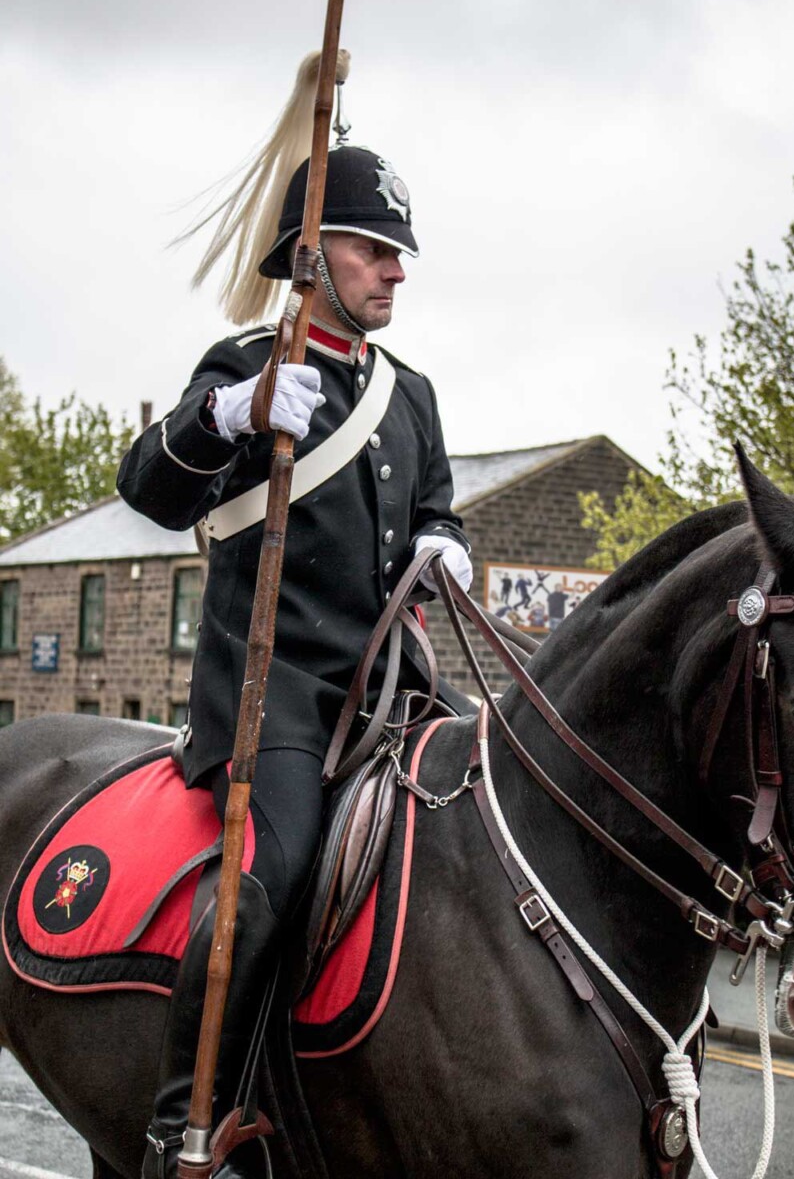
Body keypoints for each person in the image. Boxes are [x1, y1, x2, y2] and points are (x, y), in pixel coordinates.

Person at [117, 58, 471, 1179]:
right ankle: (189, 1114)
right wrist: (229, 416)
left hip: (391, 688)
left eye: (397, 255)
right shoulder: (241, 367)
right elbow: (149, 492)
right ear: (312, 256)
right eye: (375, 250)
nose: (394, 274)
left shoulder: (407, 391)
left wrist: (443, 545)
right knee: (272, 875)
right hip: (273, 695)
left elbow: (435, 507)